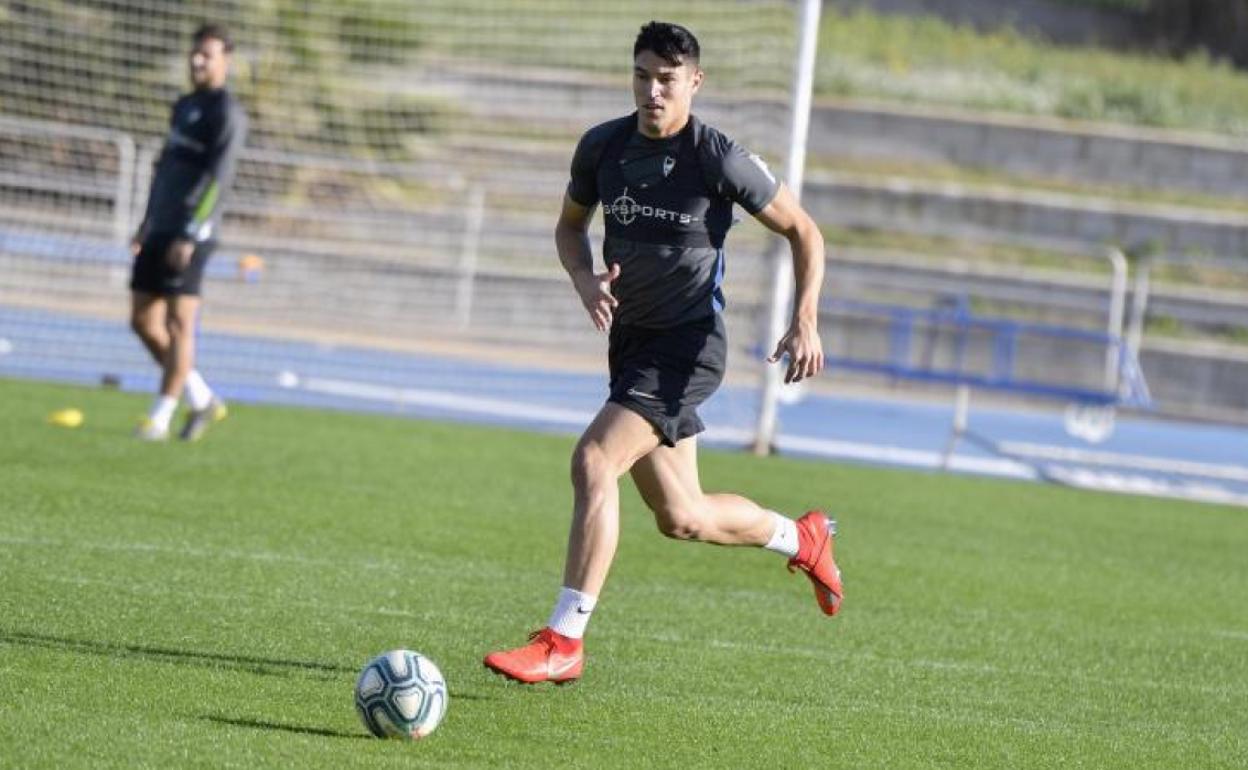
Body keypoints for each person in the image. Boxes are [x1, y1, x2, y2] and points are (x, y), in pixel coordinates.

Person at [484, 21, 841, 685]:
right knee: (682, 517)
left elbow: (804, 231)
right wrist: (583, 275)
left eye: (667, 80)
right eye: (643, 75)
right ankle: (804, 537)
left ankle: (565, 640)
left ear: (693, 83)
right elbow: (568, 228)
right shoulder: (603, 146)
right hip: (633, 344)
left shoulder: (718, 157)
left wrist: (806, 319)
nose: (653, 91)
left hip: (687, 347)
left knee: (594, 460)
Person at [130, 23, 247, 441]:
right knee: (143, 319)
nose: (197, 60)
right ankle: (201, 397)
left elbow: (220, 175)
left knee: (180, 322)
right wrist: (147, 221)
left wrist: (191, 231)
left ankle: (160, 416)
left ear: (225, 61)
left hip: (191, 232)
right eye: (195, 53)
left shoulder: (226, 112)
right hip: (161, 224)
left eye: (207, 55)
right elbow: (164, 167)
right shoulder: (184, 105)